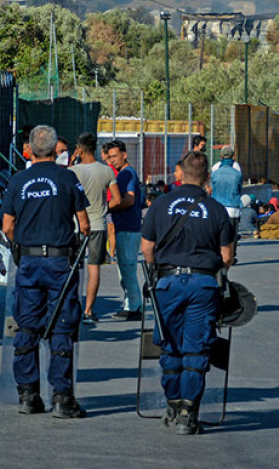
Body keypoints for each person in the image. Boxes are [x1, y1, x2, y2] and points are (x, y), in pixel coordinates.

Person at [140, 151, 235, 435]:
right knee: (196, 348)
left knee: (170, 346)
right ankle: (188, 413)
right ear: (207, 178)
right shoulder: (216, 209)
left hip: (168, 282)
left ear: (180, 173)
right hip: (203, 284)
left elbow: (147, 248)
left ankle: (172, 403)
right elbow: (227, 256)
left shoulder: (160, 204)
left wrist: (158, 270)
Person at [1, 125, 91, 417]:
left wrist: (20, 246)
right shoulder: (67, 178)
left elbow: (7, 226)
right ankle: (62, 397)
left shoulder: (18, 180)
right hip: (59, 261)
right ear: (55, 150)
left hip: (29, 261)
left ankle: (28, 395)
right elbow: (84, 224)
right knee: (62, 326)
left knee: (27, 325)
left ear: (29, 149)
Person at [69, 132, 122, 323]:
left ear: (80, 149)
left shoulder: (72, 171)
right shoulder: (106, 171)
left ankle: (71, 307)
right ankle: (89, 311)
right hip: (98, 225)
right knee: (94, 268)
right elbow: (117, 199)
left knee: (72, 267)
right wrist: (103, 208)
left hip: (76, 225)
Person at [106, 140, 145, 321]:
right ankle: (132, 304)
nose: (112, 160)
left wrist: (107, 207)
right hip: (127, 227)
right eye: (110, 157)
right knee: (125, 269)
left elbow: (129, 199)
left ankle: (133, 306)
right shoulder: (125, 173)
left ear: (124, 154)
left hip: (128, 228)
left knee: (127, 269)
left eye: (115, 156)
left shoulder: (126, 174)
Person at [210, 145, 243, 234]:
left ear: (221, 156)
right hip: (233, 209)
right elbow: (239, 189)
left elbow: (213, 187)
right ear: (233, 156)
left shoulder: (215, 170)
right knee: (232, 237)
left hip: (217, 209)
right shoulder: (237, 171)